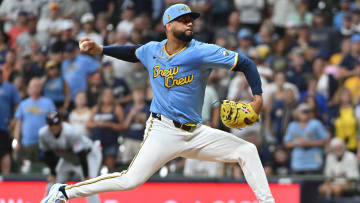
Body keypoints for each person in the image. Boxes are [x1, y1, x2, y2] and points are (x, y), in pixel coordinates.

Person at [42, 4, 275, 203]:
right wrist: (102, 49)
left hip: (196, 132)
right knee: (129, 180)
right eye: (183, 20)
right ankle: (64, 191)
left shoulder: (201, 52)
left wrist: (258, 98)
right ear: (168, 25)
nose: (189, 24)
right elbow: (133, 52)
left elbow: (245, 63)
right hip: (163, 131)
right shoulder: (153, 50)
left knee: (247, 150)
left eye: (191, 20)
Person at [39, 111, 101, 203]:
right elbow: (47, 154)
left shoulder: (70, 132)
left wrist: (86, 175)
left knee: (88, 186)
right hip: (68, 158)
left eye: (56, 123)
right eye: (51, 124)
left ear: (61, 122)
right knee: (52, 184)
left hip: (88, 156)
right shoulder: (43, 134)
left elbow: (81, 154)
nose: (54, 126)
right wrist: (53, 173)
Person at [14, 77, 56, 171]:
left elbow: (54, 121)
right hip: (27, 143)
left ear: (41, 88)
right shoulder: (23, 104)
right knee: (27, 168)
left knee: (45, 168)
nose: (35, 88)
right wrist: (16, 140)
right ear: (29, 88)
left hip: (44, 142)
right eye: (33, 86)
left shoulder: (48, 103)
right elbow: (18, 123)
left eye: (38, 85)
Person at [0, 69, 21, 175]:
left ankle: (6, 178)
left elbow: (17, 105)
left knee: (4, 153)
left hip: (3, 126)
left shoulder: (10, 88)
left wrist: (14, 119)